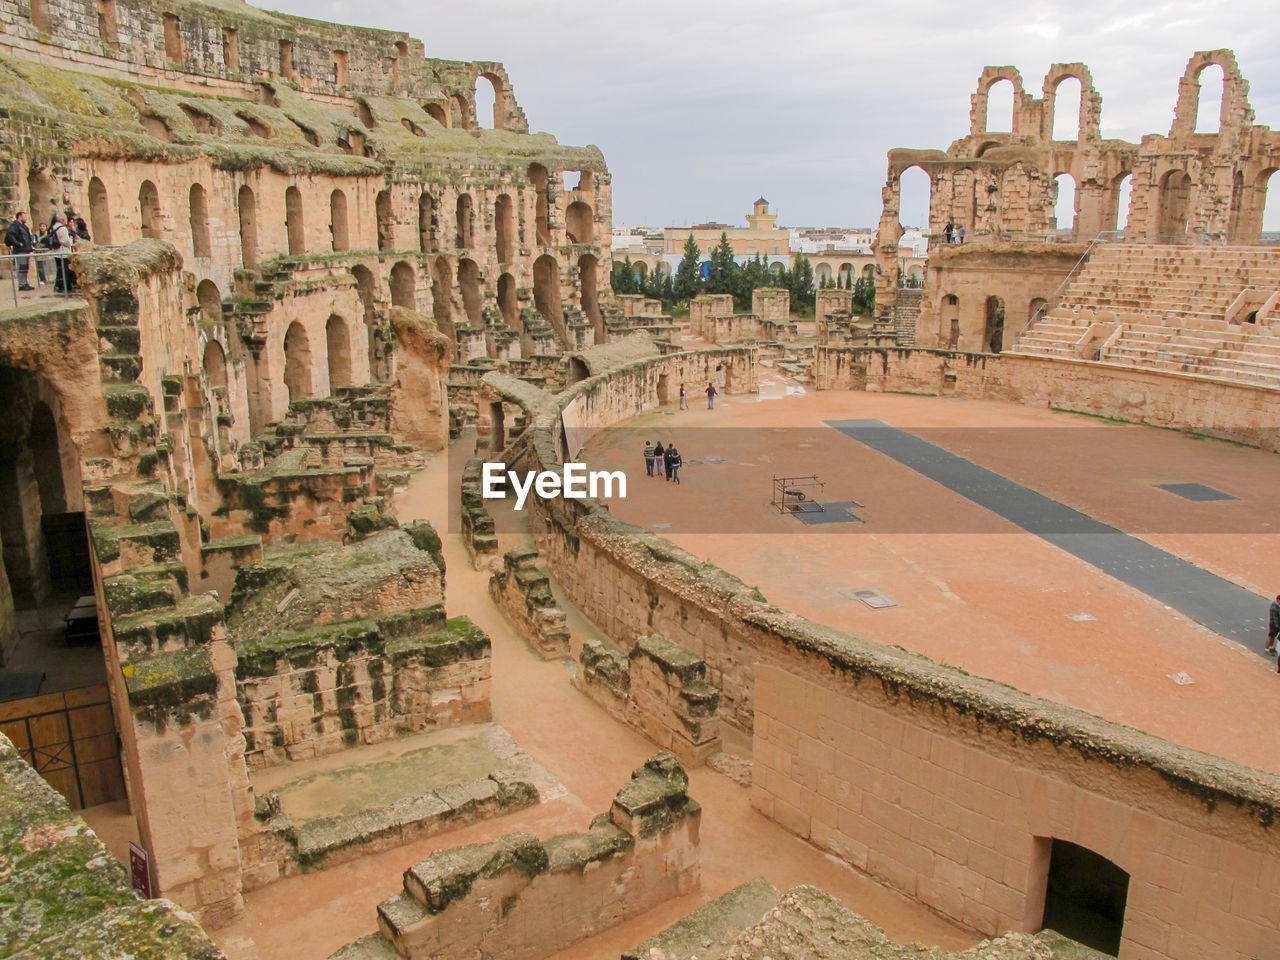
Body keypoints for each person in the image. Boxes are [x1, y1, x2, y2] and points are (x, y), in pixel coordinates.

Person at [5, 211, 35, 291]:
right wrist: (17, 243)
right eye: (24, 216)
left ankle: (25, 283)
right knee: (22, 267)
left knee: (25, 267)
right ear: (20, 217)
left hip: (26, 249)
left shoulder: (23, 227)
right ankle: (22, 284)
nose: (26, 218)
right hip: (20, 250)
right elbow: (10, 235)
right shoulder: (15, 226)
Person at [49, 213, 76, 293]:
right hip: (64, 252)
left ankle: (59, 285)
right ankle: (65, 286)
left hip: (56, 252)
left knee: (60, 270)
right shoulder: (62, 229)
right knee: (66, 271)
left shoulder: (52, 227)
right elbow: (66, 241)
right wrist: (71, 239)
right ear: (63, 220)